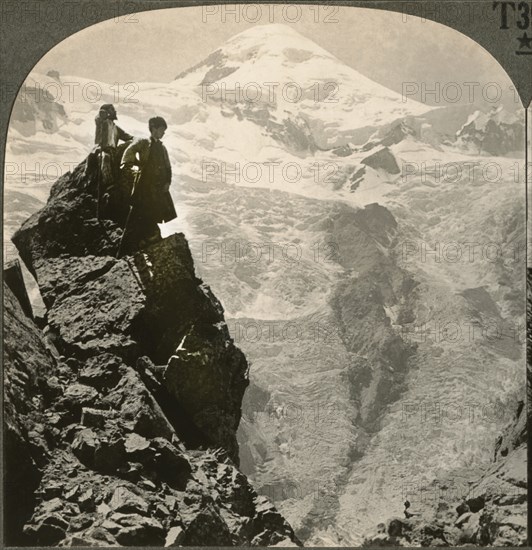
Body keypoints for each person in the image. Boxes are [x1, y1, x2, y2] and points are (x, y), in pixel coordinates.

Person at [117, 116, 177, 257]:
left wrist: (167, 182)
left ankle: (146, 242)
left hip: (157, 189)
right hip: (143, 187)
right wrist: (131, 167)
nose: (163, 133)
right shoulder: (143, 142)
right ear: (154, 129)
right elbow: (129, 153)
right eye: (161, 129)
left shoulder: (162, 148)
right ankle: (124, 251)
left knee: (153, 214)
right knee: (136, 215)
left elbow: (168, 167)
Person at [85, 104, 133, 219]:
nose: (115, 111)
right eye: (112, 110)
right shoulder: (102, 121)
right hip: (101, 149)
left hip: (113, 151)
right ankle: (108, 183)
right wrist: (103, 114)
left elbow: (128, 137)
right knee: (105, 158)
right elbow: (99, 118)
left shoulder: (115, 127)